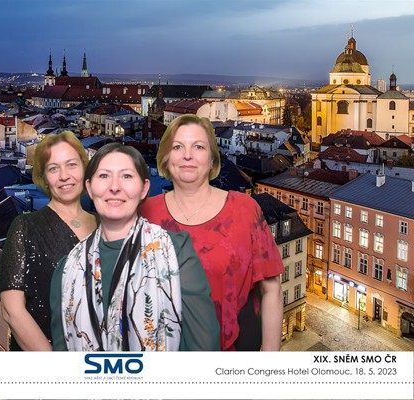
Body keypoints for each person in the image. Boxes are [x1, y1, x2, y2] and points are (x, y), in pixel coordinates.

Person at [50, 143, 219, 351]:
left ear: (144, 189)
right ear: (90, 188)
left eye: (127, 176)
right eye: (104, 176)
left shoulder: (176, 252)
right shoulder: (67, 270)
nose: (114, 187)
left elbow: (204, 348)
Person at [139, 114, 284, 351]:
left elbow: (271, 289)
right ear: (165, 158)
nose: (187, 155)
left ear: (212, 159)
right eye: (177, 147)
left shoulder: (244, 209)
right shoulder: (145, 213)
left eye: (198, 146)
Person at [0, 131, 97, 351]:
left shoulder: (105, 225)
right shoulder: (26, 226)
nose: (64, 176)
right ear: (44, 178)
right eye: (53, 168)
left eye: (71, 165)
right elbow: (11, 310)